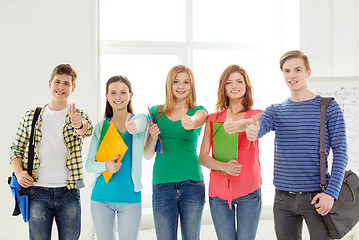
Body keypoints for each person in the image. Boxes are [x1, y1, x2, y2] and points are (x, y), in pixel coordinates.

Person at [246, 50, 348, 240]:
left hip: (318, 196)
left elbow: (341, 153)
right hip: (283, 199)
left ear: (308, 72)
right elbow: (259, 129)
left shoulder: (329, 107)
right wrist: (253, 131)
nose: (291, 75)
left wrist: (331, 194)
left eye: (297, 69)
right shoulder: (275, 111)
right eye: (287, 71)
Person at [9, 63, 93, 239]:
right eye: (57, 82)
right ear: (50, 84)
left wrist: (79, 125)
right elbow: (16, 149)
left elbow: (86, 130)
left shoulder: (78, 115)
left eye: (66, 83)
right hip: (38, 192)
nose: (61, 87)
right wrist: (19, 171)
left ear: (73, 88)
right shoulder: (31, 116)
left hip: (69, 192)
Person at [198, 64, 263, 240]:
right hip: (218, 194)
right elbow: (203, 158)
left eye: (239, 81)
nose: (234, 86)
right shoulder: (213, 119)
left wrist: (238, 124)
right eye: (229, 82)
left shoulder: (257, 115)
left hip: (249, 192)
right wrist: (224, 166)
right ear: (223, 87)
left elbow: (254, 121)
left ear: (246, 86)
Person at [144, 64, 208, 240]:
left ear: (191, 85)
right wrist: (153, 137)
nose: (181, 86)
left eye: (186, 82)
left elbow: (197, 120)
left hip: (192, 184)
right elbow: (148, 154)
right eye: (176, 82)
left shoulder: (199, 110)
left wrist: (190, 121)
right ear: (169, 85)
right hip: (162, 184)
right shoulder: (156, 112)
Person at [85, 75, 148, 240]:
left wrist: (133, 127)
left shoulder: (139, 119)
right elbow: (90, 165)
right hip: (100, 198)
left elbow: (141, 125)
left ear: (130, 95)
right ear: (107, 97)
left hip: (130, 198)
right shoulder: (100, 127)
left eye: (122, 92)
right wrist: (106, 166)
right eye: (113, 93)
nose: (118, 97)